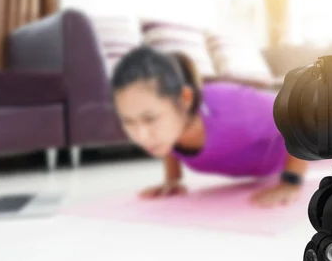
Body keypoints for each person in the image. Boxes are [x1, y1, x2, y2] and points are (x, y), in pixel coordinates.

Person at [110, 45, 308, 208]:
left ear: (185, 99)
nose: (141, 136)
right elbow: (170, 138)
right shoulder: (172, 124)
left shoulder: (233, 109)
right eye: (129, 121)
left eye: (150, 118)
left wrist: (291, 180)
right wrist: (173, 179)